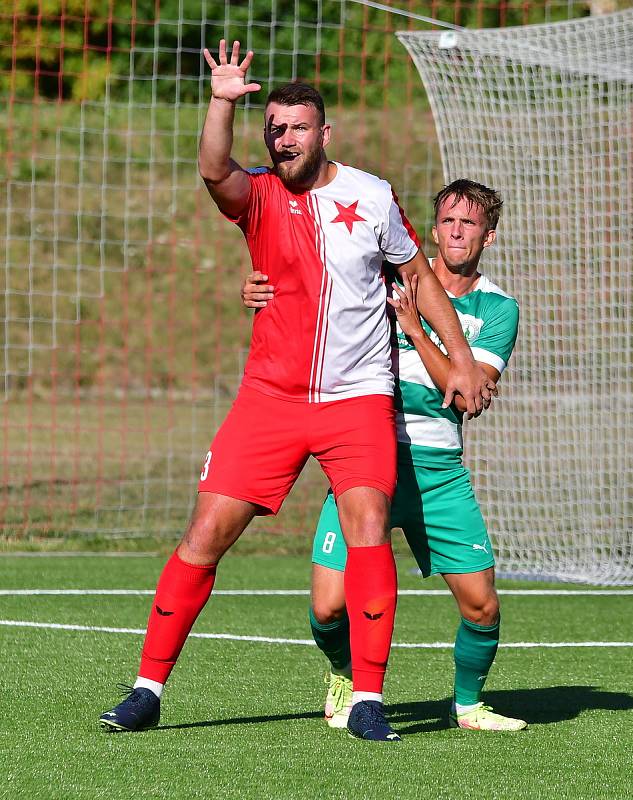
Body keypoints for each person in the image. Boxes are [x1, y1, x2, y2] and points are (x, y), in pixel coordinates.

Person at [99, 40, 495, 742]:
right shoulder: (254, 194)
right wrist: (221, 100)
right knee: (204, 534)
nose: (283, 139)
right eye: (274, 129)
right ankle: (146, 689)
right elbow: (211, 168)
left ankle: (367, 700)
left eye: (296, 127)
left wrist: (459, 358)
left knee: (369, 528)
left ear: (324, 132)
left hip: (357, 398)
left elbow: (419, 279)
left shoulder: (371, 195)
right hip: (270, 398)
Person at [242, 179, 527, 732]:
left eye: (469, 224)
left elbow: (466, 394)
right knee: (327, 609)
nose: (456, 232)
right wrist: (261, 289)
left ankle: (467, 704)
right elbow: (313, 297)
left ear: (489, 236)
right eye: (447, 220)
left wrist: (416, 330)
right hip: (364, 455)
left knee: (482, 606)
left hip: (439, 472)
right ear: (435, 228)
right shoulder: (386, 280)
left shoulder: (498, 309)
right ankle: (345, 673)